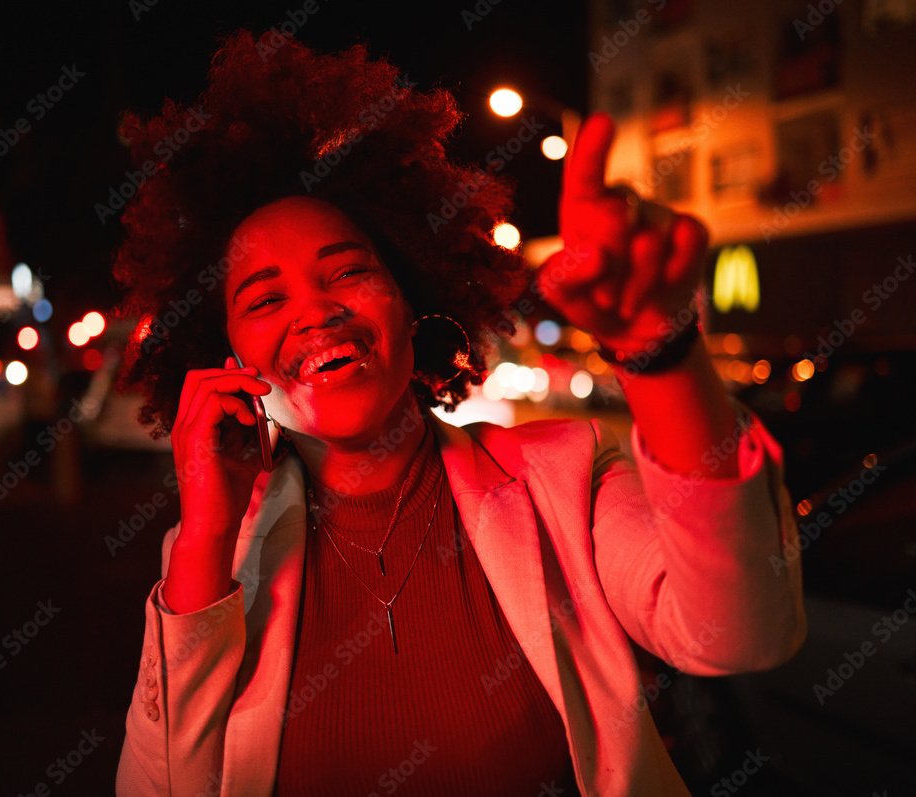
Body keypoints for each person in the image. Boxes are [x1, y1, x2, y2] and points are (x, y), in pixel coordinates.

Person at [112, 31, 806, 797]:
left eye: (348, 271)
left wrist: (659, 352)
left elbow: (741, 633)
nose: (317, 312)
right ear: (229, 358)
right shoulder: (211, 556)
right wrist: (207, 533)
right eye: (266, 299)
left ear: (412, 302)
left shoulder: (565, 475)